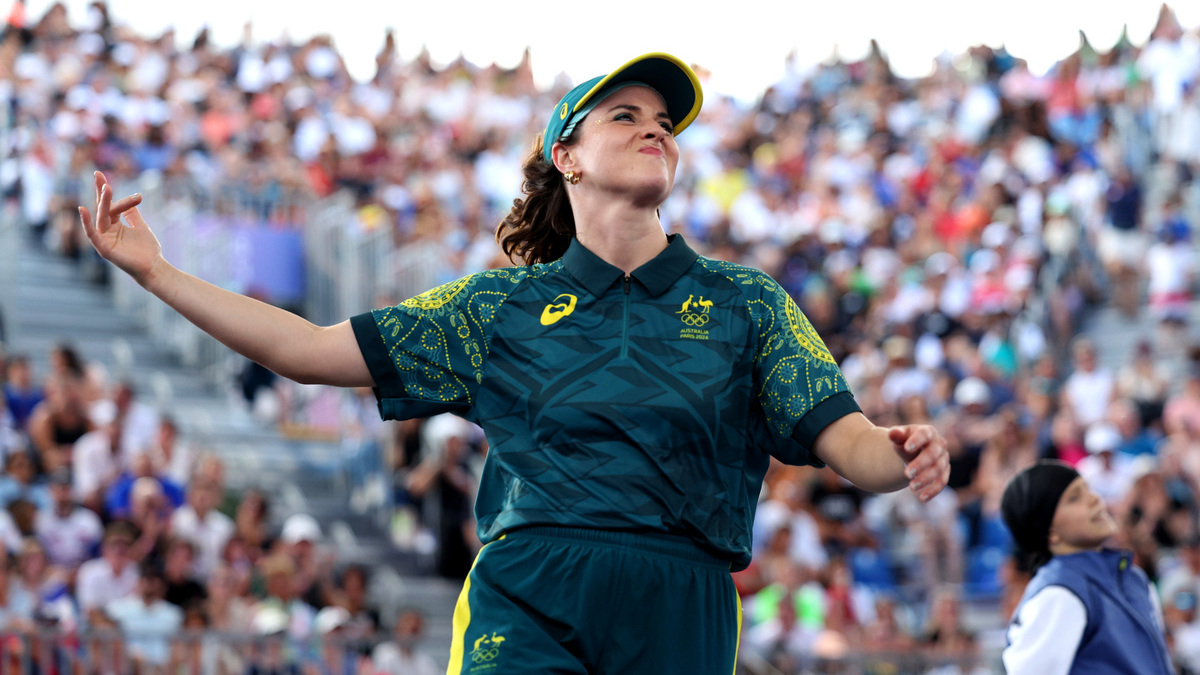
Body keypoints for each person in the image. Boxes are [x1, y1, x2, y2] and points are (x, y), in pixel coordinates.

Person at [79, 52, 950, 673]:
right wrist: (156, 270)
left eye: (664, 124)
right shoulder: (499, 307)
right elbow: (306, 351)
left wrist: (899, 451)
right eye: (626, 116)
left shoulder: (746, 301)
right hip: (533, 587)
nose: (655, 130)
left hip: (683, 601)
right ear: (565, 155)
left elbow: (849, 441)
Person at [1000, 460, 1173, 674]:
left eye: (1087, 489)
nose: (1094, 499)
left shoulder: (1134, 577)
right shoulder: (1059, 594)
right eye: (1074, 498)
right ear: (1049, 530)